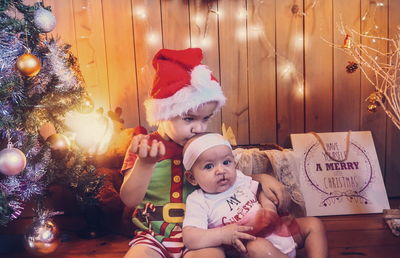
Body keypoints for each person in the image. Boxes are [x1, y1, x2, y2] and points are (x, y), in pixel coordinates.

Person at [119, 48, 291, 258]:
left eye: (205, 119)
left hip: (204, 236)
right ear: (164, 112)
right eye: (189, 119)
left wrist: (261, 178)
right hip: (153, 236)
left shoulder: (206, 144)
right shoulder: (146, 148)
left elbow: (231, 178)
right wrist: (145, 165)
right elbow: (129, 200)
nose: (199, 128)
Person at [182, 133, 328, 258]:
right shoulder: (198, 200)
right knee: (258, 248)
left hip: (278, 230)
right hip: (251, 245)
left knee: (313, 224)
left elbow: (259, 190)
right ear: (192, 178)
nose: (221, 170)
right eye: (209, 166)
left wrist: (268, 208)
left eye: (226, 162)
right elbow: (190, 237)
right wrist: (222, 235)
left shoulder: (239, 179)